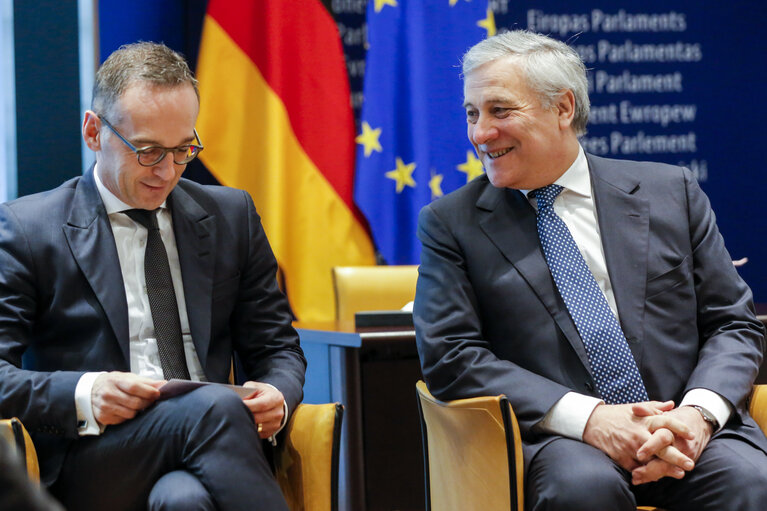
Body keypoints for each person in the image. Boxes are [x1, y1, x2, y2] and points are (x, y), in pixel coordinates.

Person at [414, 30, 767, 510]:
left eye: (500, 111)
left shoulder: (671, 191)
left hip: (686, 426)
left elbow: (732, 322)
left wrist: (697, 415)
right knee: (582, 489)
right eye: (472, 114)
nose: (480, 133)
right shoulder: (451, 223)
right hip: (564, 438)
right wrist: (593, 419)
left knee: (751, 481)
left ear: (562, 108)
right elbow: (451, 356)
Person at [0, 42, 306, 511]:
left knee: (182, 500)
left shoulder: (230, 215)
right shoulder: (27, 229)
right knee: (214, 409)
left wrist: (277, 395)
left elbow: (277, 346)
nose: (167, 171)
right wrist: (86, 391)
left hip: (214, 445)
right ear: (93, 131)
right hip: (95, 455)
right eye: (147, 151)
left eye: (184, 149)